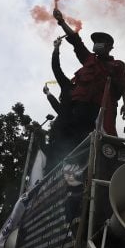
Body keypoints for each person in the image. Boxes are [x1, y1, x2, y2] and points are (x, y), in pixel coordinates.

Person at [52, 9, 125, 136]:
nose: (97, 44)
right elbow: (76, 40)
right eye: (96, 42)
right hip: (79, 107)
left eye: (101, 42)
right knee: (70, 138)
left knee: (98, 138)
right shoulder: (88, 58)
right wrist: (61, 22)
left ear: (110, 47)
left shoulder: (118, 65)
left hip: (102, 109)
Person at [43, 37, 81, 166]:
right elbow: (56, 68)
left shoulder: (90, 91)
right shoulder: (68, 86)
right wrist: (56, 48)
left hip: (78, 132)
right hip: (64, 132)